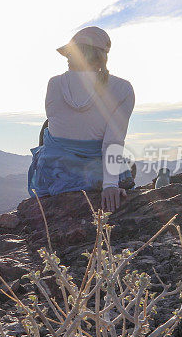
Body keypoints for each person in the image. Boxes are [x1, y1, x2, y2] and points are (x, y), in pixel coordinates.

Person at [28, 26, 135, 212]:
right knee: (129, 168)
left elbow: (59, 126)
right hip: (95, 176)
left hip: (55, 174)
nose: (67, 58)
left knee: (46, 129)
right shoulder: (123, 88)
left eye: (70, 53)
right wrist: (110, 185)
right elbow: (113, 140)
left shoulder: (54, 83)